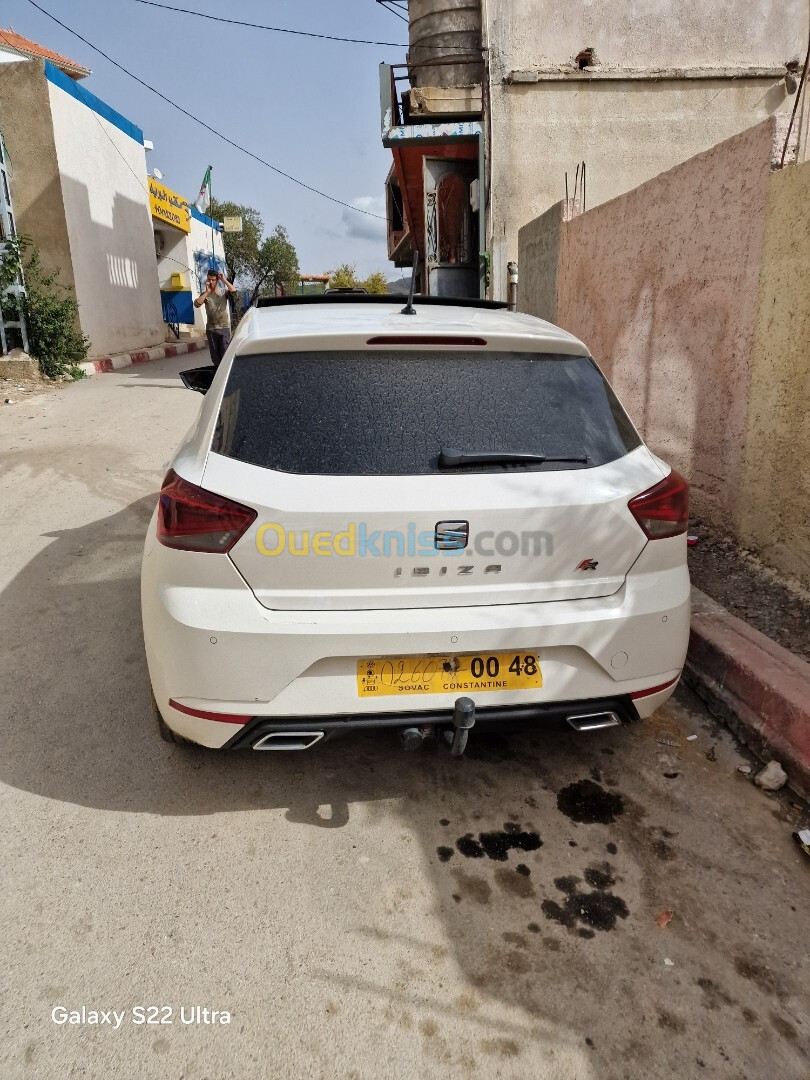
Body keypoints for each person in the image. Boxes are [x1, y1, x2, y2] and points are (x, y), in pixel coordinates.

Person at [194, 269, 237, 367]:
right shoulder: (205, 295)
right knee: (215, 357)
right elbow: (197, 304)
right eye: (209, 279)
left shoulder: (223, 292)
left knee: (225, 355)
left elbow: (234, 293)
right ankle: (217, 375)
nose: (211, 282)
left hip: (224, 328)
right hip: (211, 329)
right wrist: (207, 292)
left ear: (217, 280)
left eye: (213, 280)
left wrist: (224, 280)